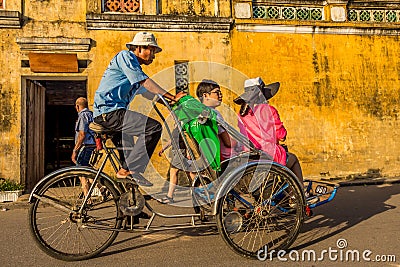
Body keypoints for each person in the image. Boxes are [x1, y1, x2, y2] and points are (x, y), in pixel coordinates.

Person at [93, 32, 185, 187]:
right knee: (153, 128)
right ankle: (128, 170)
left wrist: (171, 105)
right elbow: (144, 82)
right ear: (140, 48)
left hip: (114, 113)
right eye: (152, 51)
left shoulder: (133, 69)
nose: (154, 56)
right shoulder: (126, 57)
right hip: (109, 112)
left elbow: (148, 93)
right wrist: (172, 96)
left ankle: (130, 206)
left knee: (129, 167)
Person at [234, 77, 303, 184]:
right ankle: (300, 193)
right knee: (293, 160)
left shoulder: (241, 115)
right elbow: (281, 136)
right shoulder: (269, 110)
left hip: (250, 155)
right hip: (269, 154)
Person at [72, 97, 107, 202]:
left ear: (77, 106)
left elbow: (82, 135)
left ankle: (87, 197)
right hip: (92, 146)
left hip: (85, 146)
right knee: (88, 170)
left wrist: (75, 150)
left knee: (81, 172)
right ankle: (101, 188)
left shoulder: (82, 116)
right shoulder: (92, 114)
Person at [196, 79, 237, 161]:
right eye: (217, 92)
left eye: (220, 93)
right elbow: (228, 142)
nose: (221, 95)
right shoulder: (214, 114)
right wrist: (239, 143)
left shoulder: (198, 113)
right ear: (205, 96)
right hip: (223, 157)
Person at [157, 127, 196, 204]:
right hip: (176, 151)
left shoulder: (183, 125)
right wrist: (163, 148)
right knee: (190, 173)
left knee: (173, 171)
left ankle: (169, 197)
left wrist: (188, 152)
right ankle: (203, 191)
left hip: (181, 151)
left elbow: (188, 139)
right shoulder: (176, 127)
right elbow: (172, 140)